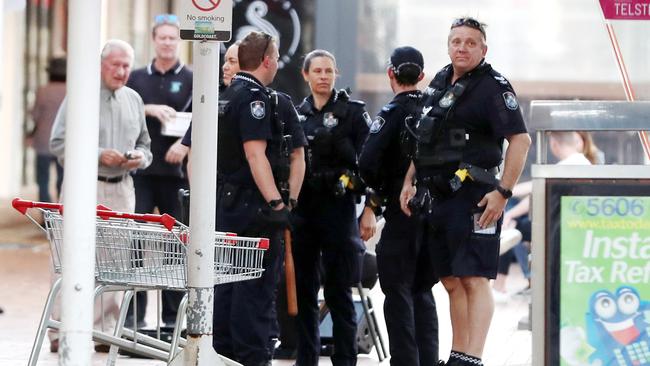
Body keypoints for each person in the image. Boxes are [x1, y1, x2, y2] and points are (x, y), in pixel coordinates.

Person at [400, 17, 531, 366]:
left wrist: (504, 192)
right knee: (450, 280)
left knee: (474, 279)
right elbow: (425, 139)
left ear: (483, 49)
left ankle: (471, 358)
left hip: (476, 198)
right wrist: (409, 178)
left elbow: (520, 139)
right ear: (448, 45)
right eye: (456, 41)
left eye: (470, 42)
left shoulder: (493, 87)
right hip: (437, 197)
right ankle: (458, 355)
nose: (462, 47)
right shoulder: (440, 80)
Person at [210, 31, 306, 366]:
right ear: (267, 60)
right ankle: (252, 358)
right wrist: (278, 204)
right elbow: (255, 155)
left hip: (227, 206)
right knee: (255, 289)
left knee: (227, 287)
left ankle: (224, 355)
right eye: (276, 56)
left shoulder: (226, 95)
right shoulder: (255, 98)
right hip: (253, 210)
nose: (278, 62)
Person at [50, 39, 152, 352]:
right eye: (115, 65)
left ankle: (106, 332)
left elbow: (147, 147)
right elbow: (57, 144)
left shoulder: (134, 99)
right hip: (85, 185)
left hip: (122, 188)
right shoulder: (79, 96)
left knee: (117, 262)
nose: (122, 72)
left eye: (126, 66)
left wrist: (139, 158)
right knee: (71, 256)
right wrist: (97, 154)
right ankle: (60, 330)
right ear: (101, 66)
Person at [292, 49, 375, 366]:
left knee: (340, 293)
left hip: (339, 211)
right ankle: (306, 359)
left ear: (336, 74)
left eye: (329, 71)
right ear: (306, 75)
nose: (323, 76)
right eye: (317, 71)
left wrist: (370, 208)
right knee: (304, 293)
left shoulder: (353, 113)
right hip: (304, 212)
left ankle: (345, 360)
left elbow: (371, 163)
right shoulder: (297, 113)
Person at [358, 46, 439, 365]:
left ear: (390, 74)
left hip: (400, 213)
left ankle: (405, 361)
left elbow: (366, 162)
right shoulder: (435, 111)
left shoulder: (392, 113)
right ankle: (429, 359)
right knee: (423, 291)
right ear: (421, 76)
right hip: (433, 213)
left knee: (397, 291)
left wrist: (379, 196)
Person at [125, 13, 192, 329]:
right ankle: (134, 317)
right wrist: (147, 108)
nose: (167, 43)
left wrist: (185, 144)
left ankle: (170, 320)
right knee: (134, 241)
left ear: (178, 41)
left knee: (175, 246)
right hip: (141, 173)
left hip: (175, 175)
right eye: (162, 37)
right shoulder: (136, 79)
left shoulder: (193, 79)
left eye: (172, 37)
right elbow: (125, 110)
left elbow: (204, 117)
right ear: (153, 39)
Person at [28, 57, 66, 203]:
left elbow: (35, 115)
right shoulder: (72, 91)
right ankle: (61, 213)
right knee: (62, 180)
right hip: (63, 143)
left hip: (43, 142)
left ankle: (46, 215)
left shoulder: (43, 91)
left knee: (42, 181)